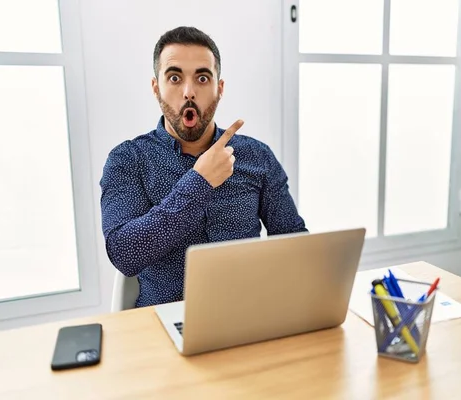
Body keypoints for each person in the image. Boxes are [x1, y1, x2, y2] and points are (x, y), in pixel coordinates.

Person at [99, 26, 307, 308]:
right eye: (174, 78)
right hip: (164, 323)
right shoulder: (128, 160)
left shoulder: (256, 156)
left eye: (202, 78)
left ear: (219, 89)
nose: (188, 92)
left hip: (248, 315)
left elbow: (295, 246)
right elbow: (125, 253)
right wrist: (200, 181)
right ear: (156, 87)